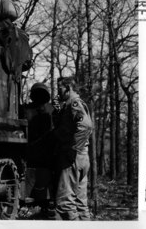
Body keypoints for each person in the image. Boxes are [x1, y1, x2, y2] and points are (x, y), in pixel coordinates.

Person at [52, 76, 94, 221]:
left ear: (68, 88)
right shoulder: (67, 105)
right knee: (81, 205)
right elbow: (64, 128)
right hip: (80, 158)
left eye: (60, 89)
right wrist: (57, 111)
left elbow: (86, 126)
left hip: (73, 158)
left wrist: (74, 149)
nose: (57, 93)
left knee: (65, 204)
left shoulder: (74, 103)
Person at [22, 82, 56, 216]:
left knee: (37, 176)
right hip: (43, 152)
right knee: (41, 177)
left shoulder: (27, 109)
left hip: (33, 151)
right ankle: (45, 203)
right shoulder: (51, 109)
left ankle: (40, 203)